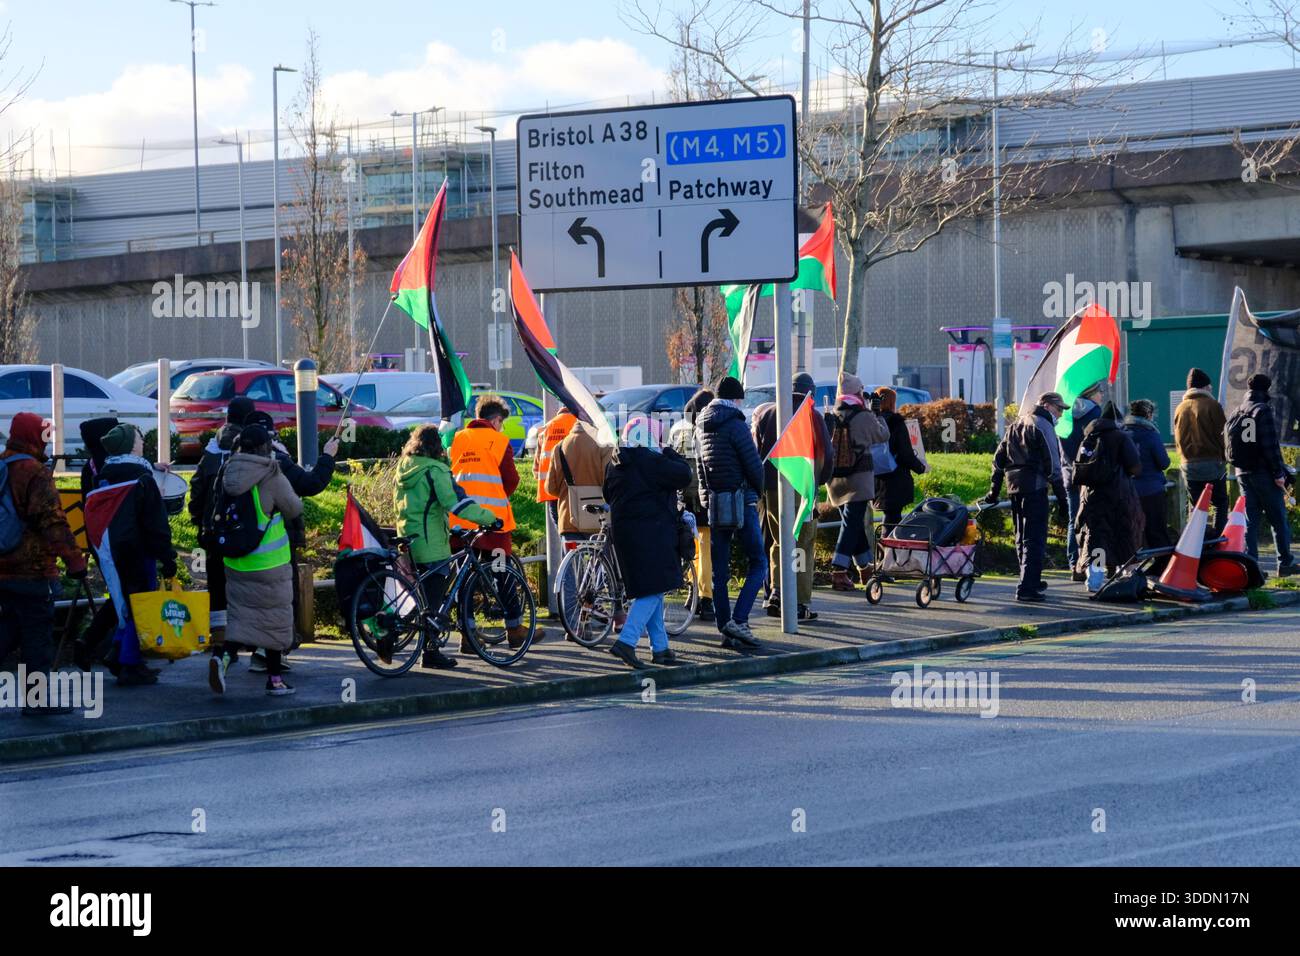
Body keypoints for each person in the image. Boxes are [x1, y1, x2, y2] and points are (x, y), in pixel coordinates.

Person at [0, 412, 87, 715]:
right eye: (44, 435)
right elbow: (53, 522)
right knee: (36, 637)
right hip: (32, 569)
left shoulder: (1, 465)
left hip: (2, 569)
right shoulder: (33, 472)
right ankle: (36, 702)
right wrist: (74, 561)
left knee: (8, 630)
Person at [394, 424, 501, 669]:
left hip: (408, 539)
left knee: (425, 595)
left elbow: (422, 505)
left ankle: (400, 635)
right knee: (433, 603)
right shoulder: (435, 470)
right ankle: (430, 654)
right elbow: (455, 503)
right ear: (436, 447)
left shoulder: (405, 467)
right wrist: (489, 519)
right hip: (431, 544)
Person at [241, 410, 339, 672]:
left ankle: (246, 654)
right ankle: (272, 661)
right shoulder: (277, 463)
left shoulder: (234, 462)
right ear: (270, 435)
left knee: (254, 600)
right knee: (282, 601)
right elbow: (310, 484)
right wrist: (328, 456)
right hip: (277, 545)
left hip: (242, 545)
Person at [212, 424, 303, 696]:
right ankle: (275, 681)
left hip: (236, 561)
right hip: (269, 564)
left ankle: (223, 659)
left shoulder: (227, 471)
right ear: (266, 446)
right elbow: (294, 507)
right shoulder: (271, 474)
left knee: (241, 619)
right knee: (274, 621)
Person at [448, 394, 544, 650]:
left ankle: (468, 635)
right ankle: (514, 629)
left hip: (460, 520)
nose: (501, 426)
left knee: (463, 577)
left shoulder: (457, 439)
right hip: (493, 524)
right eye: (501, 422)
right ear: (496, 419)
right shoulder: (499, 441)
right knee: (503, 572)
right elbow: (511, 480)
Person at [86, 423, 178, 686]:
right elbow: (155, 524)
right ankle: (129, 664)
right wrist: (168, 556)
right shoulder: (142, 480)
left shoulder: (105, 475)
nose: (141, 440)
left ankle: (117, 652)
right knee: (141, 605)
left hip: (111, 550)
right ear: (131, 445)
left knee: (125, 604)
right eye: (138, 437)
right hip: (139, 551)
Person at [603, 417, 692, 668]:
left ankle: (661, 648)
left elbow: (607, 494)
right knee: (653, 589)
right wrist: (668, 450)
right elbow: (684, 475)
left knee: (653, 587)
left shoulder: (616, 461)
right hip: (653, 533)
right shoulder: (652, 460)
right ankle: (626, 642)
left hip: (625, 533)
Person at [753, 373, 833, 621]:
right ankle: (798, 602)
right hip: (803, 486)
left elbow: (756, 450)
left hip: (772, 486)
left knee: (779, 541)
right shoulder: (812, 415)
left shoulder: (768, 413)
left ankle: (777, 592)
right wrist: (821, 480)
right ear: (811, 391)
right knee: (802, 544)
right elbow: (826, 454)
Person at [696, 375, 765, 651]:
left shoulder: (700, 425)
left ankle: (726, 629)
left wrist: (705, 498)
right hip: (742, 499)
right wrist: (756, 493)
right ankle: (739, 618)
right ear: (736, 399)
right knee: (758, 561)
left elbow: (700, 467)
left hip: (716, 502)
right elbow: (754, 466)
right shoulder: (736, 424)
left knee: (719, 571)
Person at [194, 395, 254, 687]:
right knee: (245, 591)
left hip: (211, 536)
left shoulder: (210, 450)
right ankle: (254, 650)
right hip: (241, 537)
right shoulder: (249, 449)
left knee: (217, 593)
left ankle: (219, 648)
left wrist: (201, 522)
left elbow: (195, 493)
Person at [986, 392, 1069, 602]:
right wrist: (1062, 499)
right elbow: (1053, 464)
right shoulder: (1043, 425)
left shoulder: (1016, 423)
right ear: (1048, 406)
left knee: (1021, 536)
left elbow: (999, 459)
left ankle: (1030, 579)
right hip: (1035, 485)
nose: (1060, 414)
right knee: (1035, 537)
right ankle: (1027, 587)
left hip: (1014, 485)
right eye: (1059, 409)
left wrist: (993, 491)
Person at [1227, 373, 1297, 576]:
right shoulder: (1262, 410)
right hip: (1263, 473)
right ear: (1266, 390)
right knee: (1278, 519)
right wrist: (1278, 472)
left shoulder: (1237, 410)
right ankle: (1285, 562)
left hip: (1242, 472)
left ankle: (1252, 565)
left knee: (1251, 521)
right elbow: (1269, 445)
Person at [826, 372, 889, 591]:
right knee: (851, 523)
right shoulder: (864, 415)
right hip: (859, 478)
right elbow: (882, 436)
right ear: (857, 392)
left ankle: (865, 568)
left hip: (835, 479)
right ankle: (839, 570)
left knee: (852, 523)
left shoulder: (834, 414)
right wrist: (878, 414)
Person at [1072, 401, 1144, 580]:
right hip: (1118, 495)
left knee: (1096, 538)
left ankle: (1094, 580)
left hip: (1091, 496)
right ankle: (1125, 578)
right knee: (1123, 535)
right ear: (1117, 420)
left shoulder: (1088, 437)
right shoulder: (1120, 437)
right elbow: (1135, 467)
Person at [72, 416, 121, 671]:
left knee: (120, 596)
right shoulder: (113, 467)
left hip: (97, 540)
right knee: (127, 597)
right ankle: (102, 647)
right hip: (119, 541)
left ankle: (108, 650)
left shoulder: (89, 468)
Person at [668, 388, 714, 620]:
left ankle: (692, 592)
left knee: (690, 547)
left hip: (682, 497)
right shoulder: (709, 427)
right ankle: (706, 598)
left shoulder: (677, 429)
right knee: (705, 548)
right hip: (704, 496)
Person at [1173, 368, 1230, 537]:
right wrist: (1224, 456)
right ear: (1205, 387)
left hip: (1188, 464)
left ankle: (1197, 541)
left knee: (1197, 507)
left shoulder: (1180, 408)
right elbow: (1223, 434)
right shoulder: (1212, 405)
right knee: (1220, 502)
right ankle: (1218, 540)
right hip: (1212, 462)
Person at [1059, 384, 1104, 580]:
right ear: (1091, 394)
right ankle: (1093, 566)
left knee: (1073, 520)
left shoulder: (1066, 413)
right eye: (1099, 391)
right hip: (1089, 474)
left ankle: (1073, 563)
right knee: (1094, 520)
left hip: (1069, 473)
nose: (1102, 395)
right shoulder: (1095, 413)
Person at [873, 386, 927, 535]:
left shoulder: (871, 421)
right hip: (896, 478)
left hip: (877, 476)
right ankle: (887, 554)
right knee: (892, 519)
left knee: (889, 516)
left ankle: (886, 553)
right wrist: (921, 468)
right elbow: (906, 454)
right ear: (892, 403)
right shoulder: (897, 423)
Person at [1123, 399, 1172, 555]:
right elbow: (1164, 462)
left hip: (1128, 490)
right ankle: (1162, 563)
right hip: (1151, 490)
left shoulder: (1122, 433)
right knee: (1156, 529)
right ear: (1149, 414)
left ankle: (1131, 566)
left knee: (1132, 530)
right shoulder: (1151, 434)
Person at [534, 408, 578, 523]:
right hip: (576, 488)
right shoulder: (580, 424)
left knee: (561, 529)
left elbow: (536, 468)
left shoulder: (545, 428)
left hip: (551, 490)